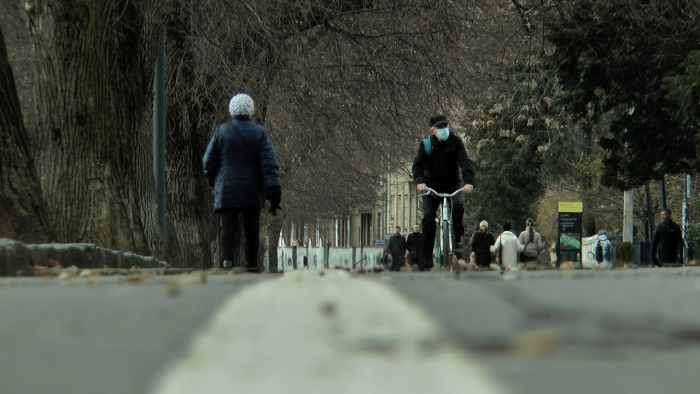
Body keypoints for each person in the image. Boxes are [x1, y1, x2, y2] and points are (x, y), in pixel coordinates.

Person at [203, 93, 281, 273]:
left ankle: (227, 263)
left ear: (231, 109)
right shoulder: (259, 133)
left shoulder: (221, 132)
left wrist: (213, 181)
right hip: (252, 190)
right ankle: (251, 264)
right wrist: (274, 188)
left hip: (227, 187)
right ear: (251, 110)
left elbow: (208, 160)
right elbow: (269, 163)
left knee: (228, 228)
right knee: (251, 229)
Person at [412, 115, 475, 269]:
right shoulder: (426, 145)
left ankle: (458, 238)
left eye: (445, 126)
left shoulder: (456, 141)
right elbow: (417, 167)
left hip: (452, 185)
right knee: (428, 216)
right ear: (432, 131)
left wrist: (468, 182)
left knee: (458, 206)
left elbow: (465, 162)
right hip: (431, 187)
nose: (443, 130)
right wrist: (420, 182)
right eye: (440, 128)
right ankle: (427, 255)